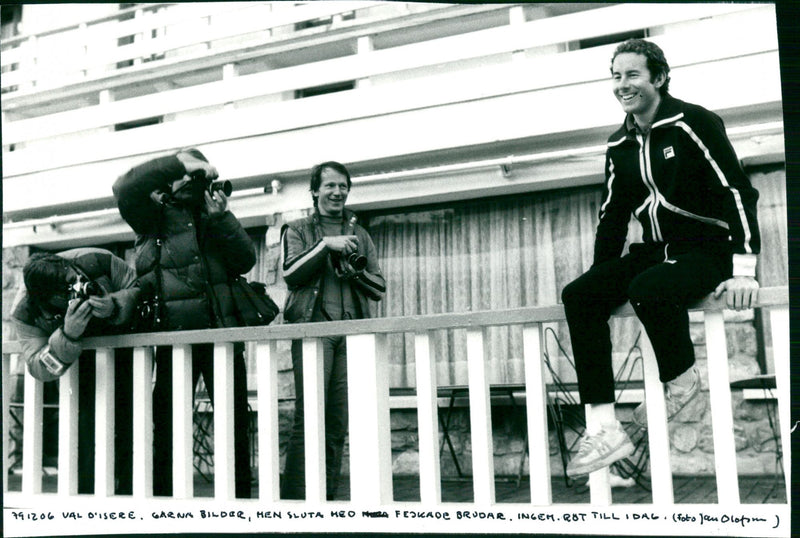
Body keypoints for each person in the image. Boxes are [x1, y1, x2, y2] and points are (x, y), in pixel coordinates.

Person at [560, 39, 760, 477]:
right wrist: (601, 279)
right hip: (656, 251)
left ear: (659, 77)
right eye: (616, 76)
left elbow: (737, 192)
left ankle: (681, 380)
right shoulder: (619, 143)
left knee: (648, 288)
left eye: (632, 74)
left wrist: (745, 269)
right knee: (578, 294)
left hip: (706, 249)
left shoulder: (693, 122)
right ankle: (605, 428)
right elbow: (612, 216)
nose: (622, 85)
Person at [113, 148, 256, 497]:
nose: (196, 183)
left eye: (201, 176)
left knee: (233, 425)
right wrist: (180, 164)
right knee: (169, 427)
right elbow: (123, 187)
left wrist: (222, 218)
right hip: (173, 337)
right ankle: (165, 506)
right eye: (190, 175)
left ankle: (240, 508)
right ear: (170, 179)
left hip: (221, 335)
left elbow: (246, 260)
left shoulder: (212, 215)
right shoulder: (150, 214)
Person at [280, 161, 386, 500]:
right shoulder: (295, 229)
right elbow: (290, 273)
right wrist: (327, 246)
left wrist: (352, 272)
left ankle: (326, 499)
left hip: (351, 334)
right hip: (313, 330)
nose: (337, 192)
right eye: (329, 186)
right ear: (315, 191)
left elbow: (379, 288)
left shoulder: (361, 233)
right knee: (308, 418)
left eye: (342, 186)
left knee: (337, 423)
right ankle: (296, 502)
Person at [11, 247, 140, 494]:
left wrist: (114, 305)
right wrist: (67, 334)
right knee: (85, 432)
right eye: (69, 289)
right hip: (78, 368)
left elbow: (140, 287)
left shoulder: (97, 260)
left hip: (125, 352)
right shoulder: (25, 311)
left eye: (76, 278)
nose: (81, 286)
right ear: (49, 299)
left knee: (131, 423)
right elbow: (40, 367)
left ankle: (131, 493)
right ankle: (86, 495)